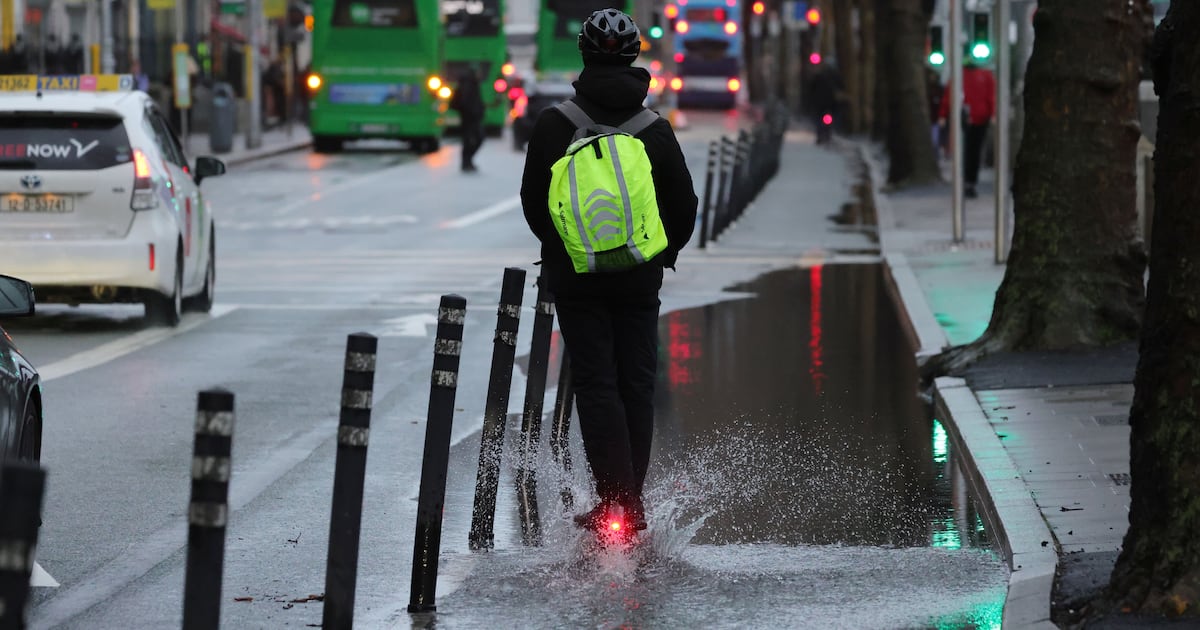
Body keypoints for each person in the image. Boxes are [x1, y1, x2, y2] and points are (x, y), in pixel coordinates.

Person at [520, 7, 698, 536]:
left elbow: (535, 204)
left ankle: (612, 503)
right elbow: (683, 206)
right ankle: (632, 503)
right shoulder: (655, 130)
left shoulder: (556, 125)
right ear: (636, 56)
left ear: (583, 54)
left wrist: (566, 253)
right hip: (639, 280)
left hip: (578, 279)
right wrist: (659, 258)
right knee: (636, 385)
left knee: (596, 385)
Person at [938, 57, 996, 198]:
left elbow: (992, 96)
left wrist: (993, 114)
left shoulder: (986, 75)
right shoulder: (959, 75)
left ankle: (970, 181)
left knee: (974, 151)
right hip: (962, 118)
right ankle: (964, 180)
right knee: (964, 151)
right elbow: (949, 95)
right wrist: (943, 114)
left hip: (980, 119)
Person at [449, 66, 485, 172]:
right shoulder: (469, 84)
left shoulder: (470, 83)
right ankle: (466, 162)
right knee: (474, 139)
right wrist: (474, 112)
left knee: (471, 139)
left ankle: (467, 162)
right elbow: (468, 101)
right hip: (470, 117)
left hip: (470, 116)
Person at [809, 56, 843, 145]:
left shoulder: (820, 75)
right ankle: (827, 135)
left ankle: (821, 135)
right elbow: (841, 88)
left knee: (819, 119)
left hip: (821, 103)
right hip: (830, 103)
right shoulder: (836, 76)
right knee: (829, 117)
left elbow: (812, 89)